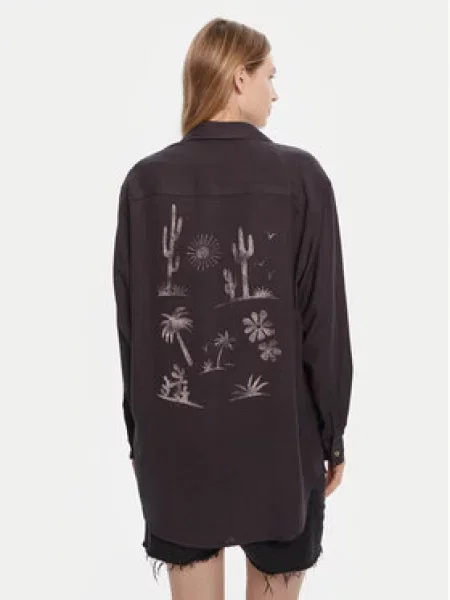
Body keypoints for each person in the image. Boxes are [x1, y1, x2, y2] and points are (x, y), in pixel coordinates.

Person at [112, 17, 353, 600]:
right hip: (280, 443)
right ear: (239, 78)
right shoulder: (300, 177)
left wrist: (139, 433)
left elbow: (133, 330)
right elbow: (323, 323)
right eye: (270, 75)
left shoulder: (145, 183)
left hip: (175, 439)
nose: (276, 92)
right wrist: (333, 434)